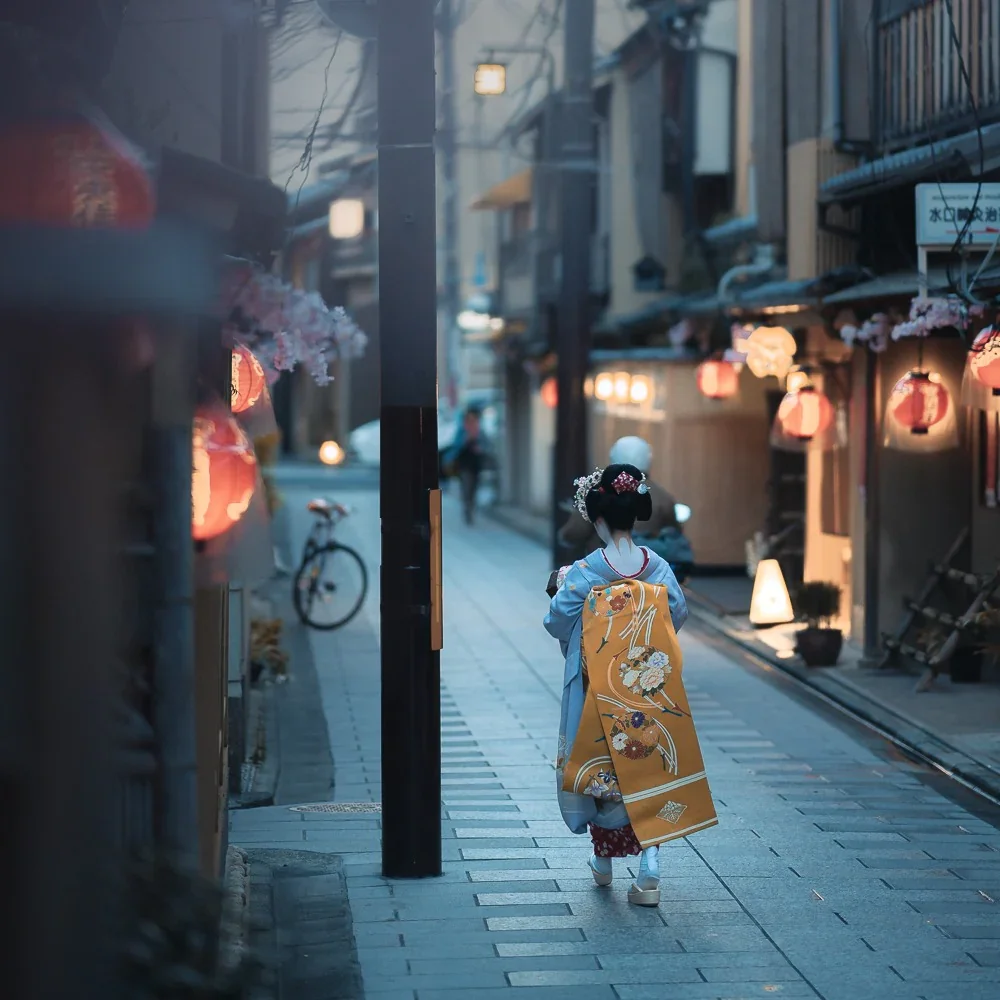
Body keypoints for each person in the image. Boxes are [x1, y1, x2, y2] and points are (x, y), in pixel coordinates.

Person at [543, 463, 717, 907]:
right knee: (646, 763)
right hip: (645, 684)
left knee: (603, 767)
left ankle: (603, 863)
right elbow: (676, 614)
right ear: (635, 515)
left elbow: (555, 620)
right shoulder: (657, 566)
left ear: (597, 519)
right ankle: (650, 866)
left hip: (597, 688)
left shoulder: (585, 571)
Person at [558, 437, 679, 555]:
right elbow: (674, 533)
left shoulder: (598, 492)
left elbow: (574, 533)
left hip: (604, 569)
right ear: (649, 460)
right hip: (647, 568)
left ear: (613, 458)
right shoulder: (663, 497)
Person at [446, 407, 488, 525]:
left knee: (474, 489)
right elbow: (456, 447)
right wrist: (465, 441)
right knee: (466, 488)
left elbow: (486, 445)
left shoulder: (480, 432)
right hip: (464, 465)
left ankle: (471, 508)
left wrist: (480, 449)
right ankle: (467, 510)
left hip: (476, 465)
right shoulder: (462, 431)